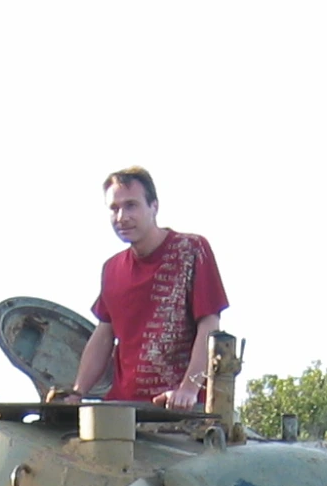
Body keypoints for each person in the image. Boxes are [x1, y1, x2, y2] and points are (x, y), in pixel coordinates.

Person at [65, 167, 228, 410]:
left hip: (177, 411)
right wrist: (77, 392)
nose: (122, 217)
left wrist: (189, 388)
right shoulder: (112, 269)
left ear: (154, 206)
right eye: (114, 208)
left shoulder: (191, 249)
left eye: (131, 205)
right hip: (124, 411)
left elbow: (209, 325)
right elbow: (104, 334)